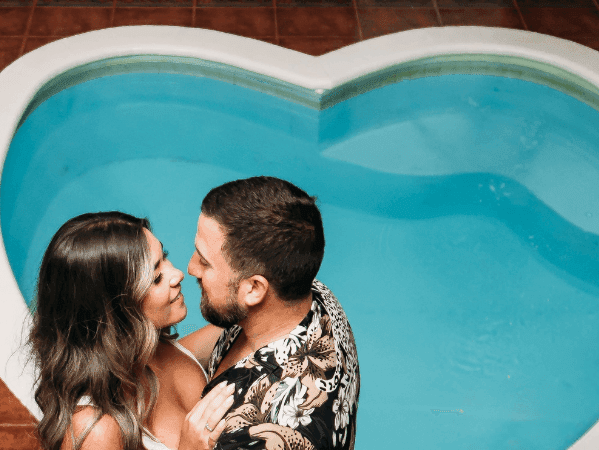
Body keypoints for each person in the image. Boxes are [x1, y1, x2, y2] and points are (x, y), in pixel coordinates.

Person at [29, 212, 235, 450]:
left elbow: (257, 323)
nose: (178, 274)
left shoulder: (165, 354)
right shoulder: (94, 430)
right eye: (156, 277)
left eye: (164, 257)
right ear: (115, 311)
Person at [180, 176, 360, 450]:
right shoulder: (309, 294)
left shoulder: (259, 433)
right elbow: (187, 352)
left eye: (205, 262)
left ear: (254, 288)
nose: (191, 268)